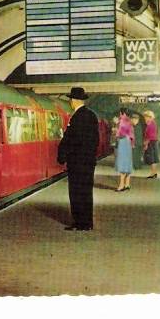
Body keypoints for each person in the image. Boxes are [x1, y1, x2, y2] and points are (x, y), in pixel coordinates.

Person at [57, 87, 100, 231]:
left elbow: (71, 139)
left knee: (76, 192)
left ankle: (79, 223)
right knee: (86, 192)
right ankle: (86, 222)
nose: (70, 102)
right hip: (87, 162)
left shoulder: (77, 117)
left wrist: (64, 154)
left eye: (70, 100)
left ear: (73, 101)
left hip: (77, 162)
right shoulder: (91, 115)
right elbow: (95, 140)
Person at [115, 108, 134, 192]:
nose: (120, 115)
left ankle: (121, 185)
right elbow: (132, 135)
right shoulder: (130, 122)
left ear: (123, 114)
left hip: (123, 142)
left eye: (120, 113)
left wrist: (116, 128)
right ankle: (127, 184)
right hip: (128, 143)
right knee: (127, 163)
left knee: (122, 163)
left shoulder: (122, 121)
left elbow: (120, 134)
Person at [143, 110, 160, 178]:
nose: (145, 118)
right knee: (154, 158)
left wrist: (146, 144)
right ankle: (154, 172)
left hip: (151, 142)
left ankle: (153, 173)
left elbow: (149, 136)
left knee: (151, 158)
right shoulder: (153, 123)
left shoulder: (150, 124)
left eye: (146, 117)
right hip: (154, 141)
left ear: (149, 117)